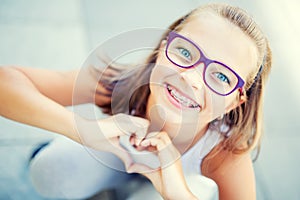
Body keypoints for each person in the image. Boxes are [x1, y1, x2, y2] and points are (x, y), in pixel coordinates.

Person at [0, 3, 272, 200]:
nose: (192, 79)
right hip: (112, 157)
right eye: (185, 52)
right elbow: (6, 81)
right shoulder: (122, 84)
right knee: (50, 170)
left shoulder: (223, 154)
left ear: (233, 103)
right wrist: (81, 128)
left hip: (167, 189)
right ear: (163, 49)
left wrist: (176, 192)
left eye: (222, 77)